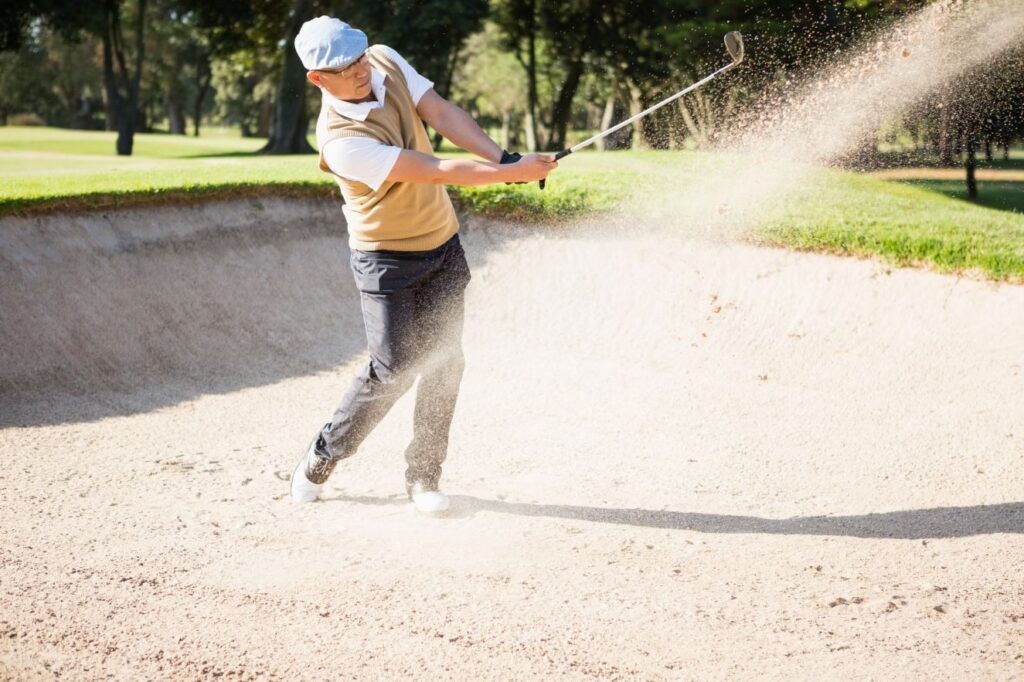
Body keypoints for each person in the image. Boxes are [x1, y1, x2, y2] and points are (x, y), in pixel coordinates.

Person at [289, 17, 557, 513]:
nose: (361, 71)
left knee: (446, 361)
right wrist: (507, 175)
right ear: (318, 80)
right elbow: (434, 170)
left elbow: (440, 113)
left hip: (442, 243)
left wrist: (505, 157)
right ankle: (324, 453)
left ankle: (425, 477)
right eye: (346, 69)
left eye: (360, 57)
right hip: (385, 259)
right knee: (393, 369)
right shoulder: (341, 141)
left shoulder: (385, 60)